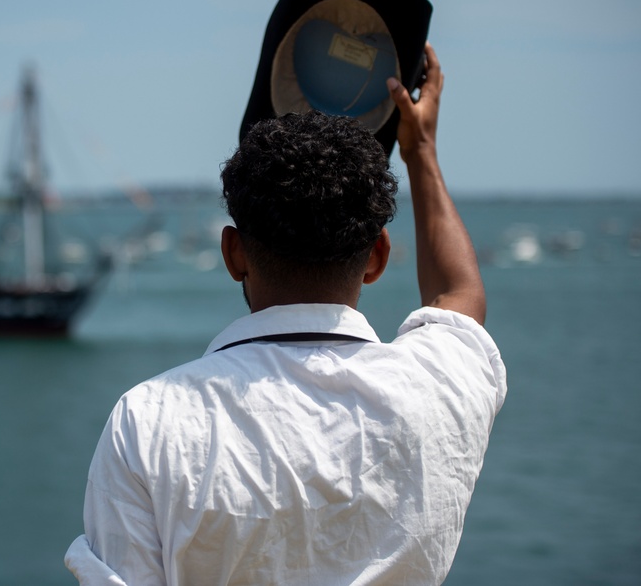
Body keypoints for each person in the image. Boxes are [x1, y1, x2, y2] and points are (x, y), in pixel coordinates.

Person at [65, 44, 506, 585]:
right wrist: (422, 151)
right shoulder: (438, 388)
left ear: (233, 254)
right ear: (377, 257)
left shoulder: (149, 420)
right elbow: (458, 296)